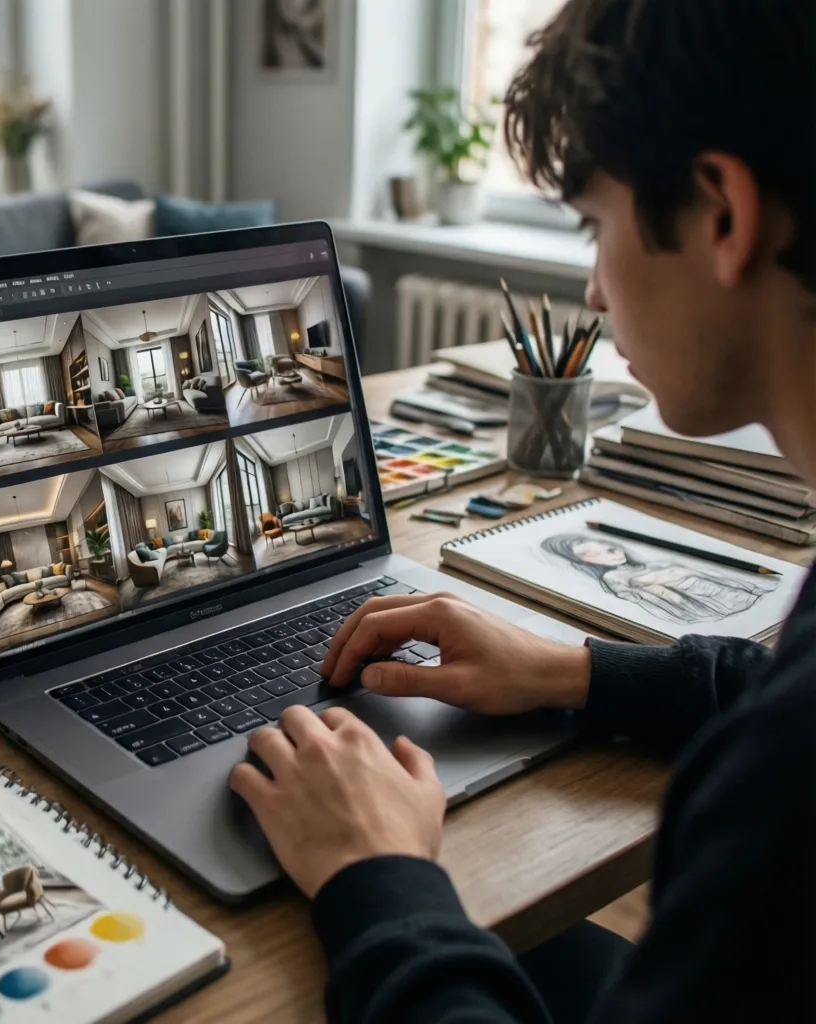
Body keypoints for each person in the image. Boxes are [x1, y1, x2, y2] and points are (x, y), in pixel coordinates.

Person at [228, 0, 816, 1020]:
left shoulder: (778, 799)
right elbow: (770, 684)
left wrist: (374, 873)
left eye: (593, 227)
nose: (592, 289)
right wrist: (573, 671)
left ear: (721, 212)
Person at [539, 533, 773, 623]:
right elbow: (665, 604)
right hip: (705, 610)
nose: (610, 554)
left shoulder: (658, 563)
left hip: (737, 597)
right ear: (584, 562)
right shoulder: (615, 578)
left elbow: (714, 576)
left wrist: (754, 590)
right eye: (591, 553)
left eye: (607, 547)